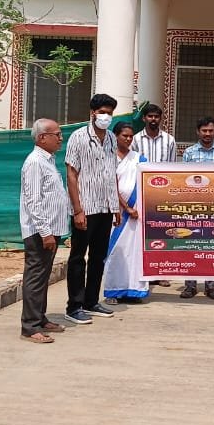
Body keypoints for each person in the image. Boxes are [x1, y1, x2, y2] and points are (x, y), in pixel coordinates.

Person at [64, 93, 121, 324]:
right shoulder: (78, 137)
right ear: (93, 113)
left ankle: (91, 301)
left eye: (110, 113)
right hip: (85, 208)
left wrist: (115, 206)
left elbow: (112, 173)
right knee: (78, 257)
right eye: (102, 112)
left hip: (105, 207)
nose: (106, 117)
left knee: (99, 256)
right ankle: (74, 306)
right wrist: (77, 210)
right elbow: (71, 174)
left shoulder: (111, 138)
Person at [18, 119, 72, 343]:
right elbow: (33, 201)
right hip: (40, 232)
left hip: (51, 229)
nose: (60, 138)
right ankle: (30, 327)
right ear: (42, 137)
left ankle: (39, 318)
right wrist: (45, 232)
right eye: (56, 134)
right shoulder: (34, 162)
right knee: (35, 277)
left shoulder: (48, 160)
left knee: (43, 277)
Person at [180, 116, 214, 300]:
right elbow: (183, 179)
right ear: (198, 131)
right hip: (193, 206)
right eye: (204, 130)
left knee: (212, 245)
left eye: (210, 130)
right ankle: (190, 286)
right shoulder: (189, 153)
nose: (207, 134)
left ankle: (210, 286)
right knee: (191, 244)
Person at [102, 122, 149, 305]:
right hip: (116, 213)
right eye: (125, 136)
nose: (129, 139)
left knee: (135, 253)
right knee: (115, 251)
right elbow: (110, 185)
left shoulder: (139, 159)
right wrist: (126, 207)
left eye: (131, 136)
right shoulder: (108, 158)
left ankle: (134, 291)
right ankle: (113, 290)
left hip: (137, 214)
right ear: (115, 136)